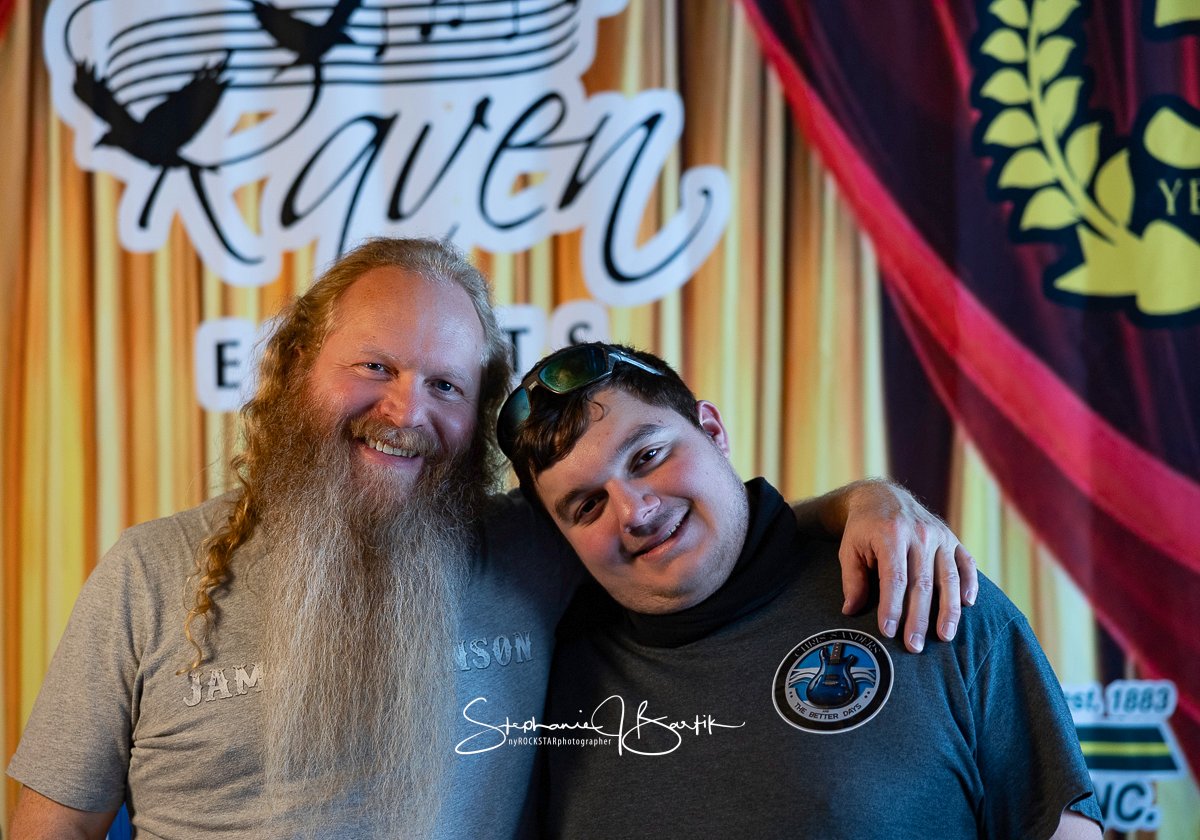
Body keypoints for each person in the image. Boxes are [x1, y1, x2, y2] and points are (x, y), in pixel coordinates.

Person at [7, 239, 974, 839]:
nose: (406, 411)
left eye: (445, 385)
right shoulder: (149, 572)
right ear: (295, 368)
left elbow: (704, 531)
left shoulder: (535, 545)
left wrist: (869, 502)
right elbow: (53, 828)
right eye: (374, 367)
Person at [499, 342, 1103, 840]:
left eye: (648, 456)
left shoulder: (920, 588)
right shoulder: (545, 677)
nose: (635, 511)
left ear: (713, 430)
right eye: (587, 506)